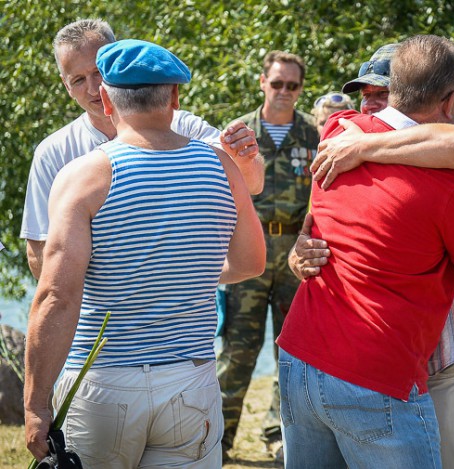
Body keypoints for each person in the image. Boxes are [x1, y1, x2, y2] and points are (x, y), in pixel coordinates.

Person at [277, 34, 454, 468]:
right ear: (447, 99)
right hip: (381, 364)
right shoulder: (341, 136)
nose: (370, 107)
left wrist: (364, 146)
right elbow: (326, 221)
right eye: (364, 96)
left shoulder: (350, 140)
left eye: (381, 95)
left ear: (403, 95)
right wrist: (301, 252)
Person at [23, 39, 265, 468]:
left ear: (106, 98)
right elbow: (250, 263)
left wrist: (35, 404)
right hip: (192, 380)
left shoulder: (83, 176)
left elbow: (57, 296)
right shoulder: (222, 166)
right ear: (174, 95)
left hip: (104, 384)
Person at [20, 19, 264, 280]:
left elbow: (252, 184)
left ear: (119, 66)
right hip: (100, 316)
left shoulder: (182, 125)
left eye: (98, 73)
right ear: (65, 85)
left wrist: (245, 158)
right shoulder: (53, 152)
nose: (92, 89)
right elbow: (39, 250)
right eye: (78, 79)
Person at [216, 50, 319, 463]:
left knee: (291, 353)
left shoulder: (316, 136)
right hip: (248, 254)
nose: (284, 92)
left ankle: (280, 436)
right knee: (237, 351)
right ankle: (218, 440)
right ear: (262, 82)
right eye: (277, 83)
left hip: (296, 256)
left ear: (300, 89)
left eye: (292, 86)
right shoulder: (239, 134)